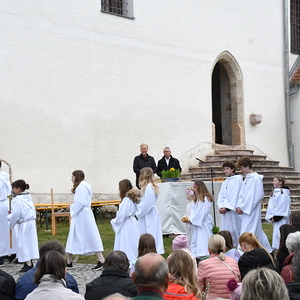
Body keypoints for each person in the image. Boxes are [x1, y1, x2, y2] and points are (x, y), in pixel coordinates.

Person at [66, 170, 104, 270]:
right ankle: (68, 261)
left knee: (90, 235)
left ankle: (101, 260)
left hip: (82, 215)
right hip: (81, 214)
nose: (71, 179)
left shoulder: (81, 187)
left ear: (77, 177)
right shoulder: (82, 187)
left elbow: (81, 202)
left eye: (73, 177)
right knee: (73, 235)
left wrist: (72, 207)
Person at [235, 156, 272, 252]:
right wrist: (239, 206)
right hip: (246, 210)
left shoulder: (256, 179)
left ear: (247, 166)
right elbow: (242, 194)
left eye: (242, 167)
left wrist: (243, 207)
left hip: (252, 209)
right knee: (247, 229)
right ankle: (263, 249)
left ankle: (250, 249)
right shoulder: (247, 179)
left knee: (251, 230)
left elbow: (255, 196)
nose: (241, 170)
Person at [7, 179, 39, 272]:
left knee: (23, 243)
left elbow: (17, 214)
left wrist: (10, 218)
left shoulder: (17, 200)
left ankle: (27, 263)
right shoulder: (27, 197)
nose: (13, 190)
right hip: (31, 223)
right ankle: (31, 260)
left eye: (14, 188)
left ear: (19, 188)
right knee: (30, 242)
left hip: (25, 224)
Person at [197, 234, 240, 300]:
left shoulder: (203, 264)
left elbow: (200, 287)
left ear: (209, 250)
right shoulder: (234, 262)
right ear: (225, 248)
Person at [111, 180, 141, 262]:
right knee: (131, 242)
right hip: (132, 223)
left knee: (126, 242)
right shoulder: (130, 199)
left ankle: (127, 260)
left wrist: (114, 221)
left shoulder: (126, 200)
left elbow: (121, 215)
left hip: (126, 224)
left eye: (119, 187)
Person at [136, 167, 164, 254]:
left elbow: (147, 204)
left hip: (148, 214)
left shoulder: (149, 188)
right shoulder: (149, 187)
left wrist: (138, 213)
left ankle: (150, 251)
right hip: (148, 213)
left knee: (150, 233)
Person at [217, 161, 243, 247]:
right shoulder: (226, 181)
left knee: (235, 228)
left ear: (233, 169)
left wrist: (227, 208)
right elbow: (221, 195)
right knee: (226, 228)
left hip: (233, 209)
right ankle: (228, 245)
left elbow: (235, 194)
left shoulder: (238, 179)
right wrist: (221, 206)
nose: (225, 171)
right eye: (224, 169)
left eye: (227, 169)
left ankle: (237, 245)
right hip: (225, 209)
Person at [265, 177, 291, 251]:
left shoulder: (284, 193)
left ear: (280, 182)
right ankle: (277, 249)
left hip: (281, 218)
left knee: (281, 233)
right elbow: (271, 206)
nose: (273, 182)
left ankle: (283, 249)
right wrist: (270, 216)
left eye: (275, 181)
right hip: (274, 217)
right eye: (273, 181)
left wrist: (277, 217)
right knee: (276, 235)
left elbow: (283, 205)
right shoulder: (274, 193)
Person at [189, 180, 213, 259]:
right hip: (197, 222)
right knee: (196, 238)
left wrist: (193, 220)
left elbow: (201, 212)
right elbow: (194, 211)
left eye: (195, 188)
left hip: (202, 222)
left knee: (203, 238)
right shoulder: (198, 199)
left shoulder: (205, 199)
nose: (194, 189)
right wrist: (191, 218)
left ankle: (204, 253)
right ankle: (196, 254)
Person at [0, 160, 16, 267]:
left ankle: (2, 254)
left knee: (2, 231)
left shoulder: (1, 178)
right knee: (5, 230)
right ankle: (10, 251)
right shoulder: (5, 177)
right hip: (5, 203)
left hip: (1, 204)